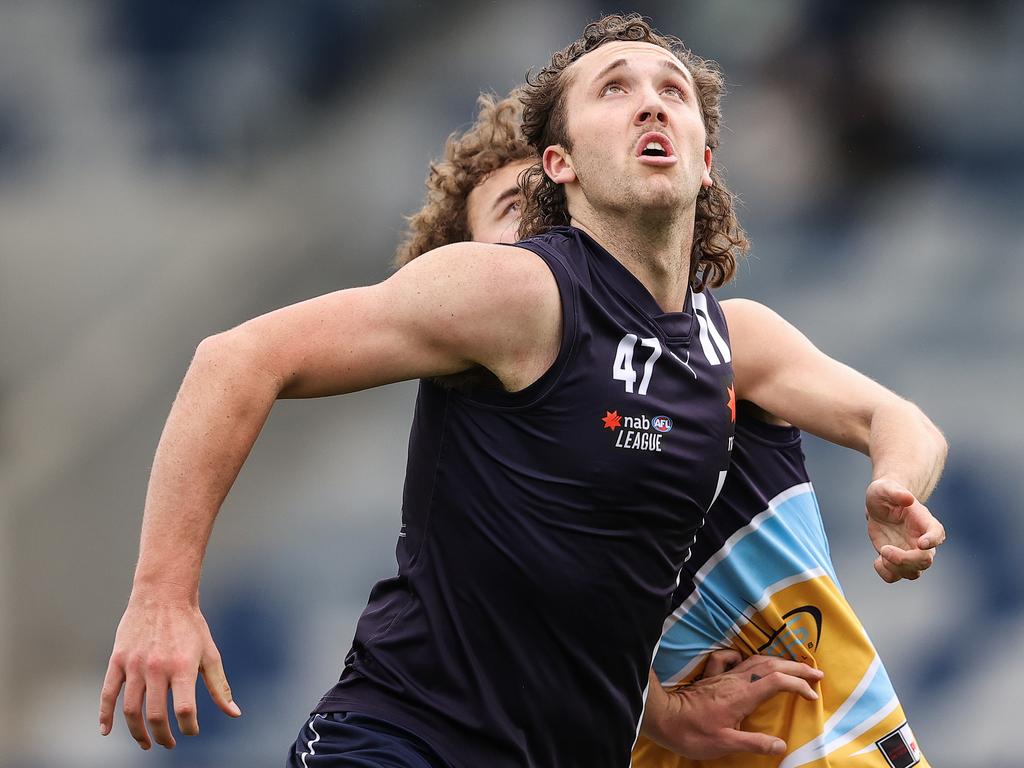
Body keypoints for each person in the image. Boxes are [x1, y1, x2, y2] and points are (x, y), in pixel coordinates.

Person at [99, 14, 944, 768]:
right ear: (559, 165)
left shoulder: (729, 341)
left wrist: (893, 485)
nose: (651, 104)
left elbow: (591, 586)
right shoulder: (520, 295)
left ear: (708, 165)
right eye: (615, 89)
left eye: (672, 90)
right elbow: (234, 359)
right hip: (404, 740)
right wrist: (161, 597)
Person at [396, 90, 939, 766]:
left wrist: (898, 485)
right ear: (459, 266)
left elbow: (896, 420)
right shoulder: (478, 474)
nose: (540, 228)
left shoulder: (726, 340)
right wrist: (663, 713)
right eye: (512, 211)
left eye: (550, 204)